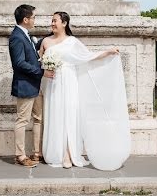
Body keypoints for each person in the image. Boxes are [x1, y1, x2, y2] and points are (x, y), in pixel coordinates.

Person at [39, 11, 131, 170]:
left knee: (70, 115)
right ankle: (56, 151)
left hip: (69, 81)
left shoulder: (73, 41)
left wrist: (108, 52)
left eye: (55, 21)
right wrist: (45, 69)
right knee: (56, 115)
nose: (52, 23)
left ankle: (68, 153)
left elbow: (87, 56)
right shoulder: (46, 41)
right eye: (52, 21)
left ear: (64, 23)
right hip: (53, 83)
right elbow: (39, 62)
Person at [8, 3, 54, 167]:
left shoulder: (24, 35)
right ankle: (20, 155)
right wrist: (41, 72)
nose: (35, 20)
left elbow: (32, 50)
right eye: (34, 17)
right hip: (25, 85)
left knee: (38, 119)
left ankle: (37, 153)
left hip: (34, 85)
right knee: (22, 120)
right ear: (26, 19)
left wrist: (52, 35)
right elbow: (19, 63)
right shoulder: (16, 37)